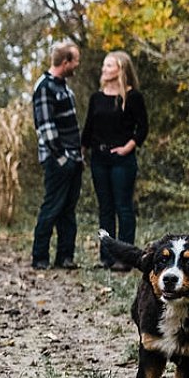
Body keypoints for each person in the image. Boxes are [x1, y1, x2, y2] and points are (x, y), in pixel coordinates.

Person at [81, 50, 148, 272]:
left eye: (109, 65)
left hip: (122, 160)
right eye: (104, 65)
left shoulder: (133, 97)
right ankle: (106, 257)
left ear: (121, 69)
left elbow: (143, 128)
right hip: (99, 160)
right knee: (105, 209)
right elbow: (89, 127)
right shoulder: (96, 98)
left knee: (123, 207)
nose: (104, 69)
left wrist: (128, 146)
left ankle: (125, 258)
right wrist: (82, 151)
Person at [31, 41, 84, 270]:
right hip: (58, 160)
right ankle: (40, 257)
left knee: (68, 211)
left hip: (73, 159)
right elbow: (46, 128)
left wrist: (76, 157)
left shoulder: (65, 88)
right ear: (65, 63)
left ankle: (65, 257)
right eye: (75, 61)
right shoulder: (45, 87)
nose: (78, 65)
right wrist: (63, 159)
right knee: (52, 207)